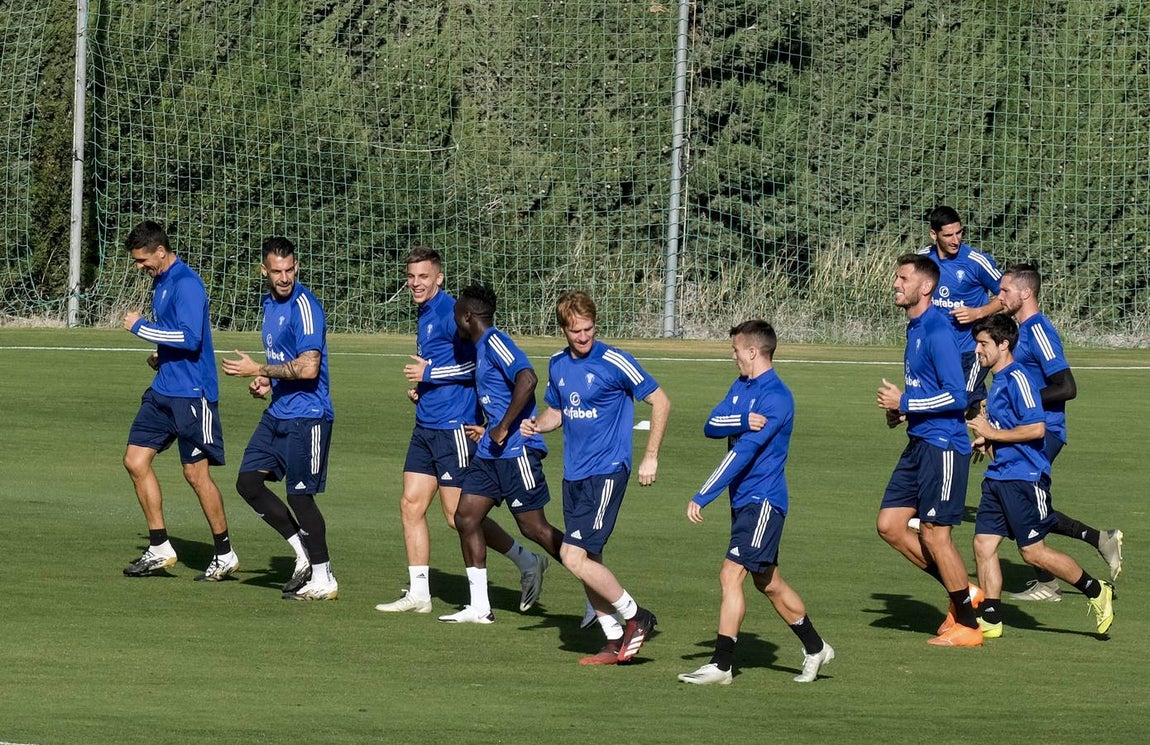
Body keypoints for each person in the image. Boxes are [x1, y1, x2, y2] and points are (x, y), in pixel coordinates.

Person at [376, 247, 548, 615]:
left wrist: (430, 376)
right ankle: (420, 594)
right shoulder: (425, 312)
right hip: (425, 423)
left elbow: (475, 368)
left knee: (459, 516)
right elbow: (440, 365)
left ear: (439, 277)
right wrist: (423, 388)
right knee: (410, 504)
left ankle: (526, 560)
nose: (415, 283)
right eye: (411, 277)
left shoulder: (455, 313)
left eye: (423, 276)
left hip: (454, 425)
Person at [678, 320, 833, 685]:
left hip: (763, 501)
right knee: (769, 582)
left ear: (752, 351)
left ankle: (722, 665)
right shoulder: (742, 387)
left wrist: (703, 494)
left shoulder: (777, 398)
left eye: (735, 350)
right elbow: (711, 424)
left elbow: (742, 454)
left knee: (730, 573)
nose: (733, 357)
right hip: (745, 501)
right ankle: (816, 647)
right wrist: (742, 419)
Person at [521, 291, 671, 665]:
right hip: (574, 475)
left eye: (588, 329)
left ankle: (636, 617)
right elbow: (558, 411)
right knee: (590, 558)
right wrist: (535, 424)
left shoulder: (615, 360)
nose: (583, 337)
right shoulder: (557, 364)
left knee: (572, 555)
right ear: (563, 330)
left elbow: (661, 401)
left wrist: (650, 457)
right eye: (575, 331)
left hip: (608, 471)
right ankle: (613, 640)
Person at [967, 313, 1115, 636]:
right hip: (998, 476)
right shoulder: (998, 381)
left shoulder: (1019, 377)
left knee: (1033, 552)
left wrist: (991, 430)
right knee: (983, 544)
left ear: (1004, 345)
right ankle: (991, 618)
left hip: (1024, 477)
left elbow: (1036, 428)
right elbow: (1008, 429)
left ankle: (1096, 589)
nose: (977, 350)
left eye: (983, 344)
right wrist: (987, 439)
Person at [438, 282, 565, 624]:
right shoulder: (481, 347)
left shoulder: (495, 341)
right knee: (465, 517)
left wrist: (504, 426)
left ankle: (595, 590)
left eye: (455, 316)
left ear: (467, 317)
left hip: (517, 451)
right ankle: (480, 607)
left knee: (534, 528)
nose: (454, 323)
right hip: (490, 453)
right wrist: (490, 428)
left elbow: (527, 379)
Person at [996, 264, 1122, 601]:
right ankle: (1096, 542)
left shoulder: (1038, 331)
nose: (999, 297)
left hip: (1044, 432)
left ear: (1026, 293)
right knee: (1017, 507)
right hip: (1027, 432)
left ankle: (1055, 582)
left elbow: (1066, 386)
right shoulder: (1020, 330)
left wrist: (1024, 402)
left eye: (1005, 290)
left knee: (1015, 505)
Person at [221, 237, 338, 600]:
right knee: (248, 484)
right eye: (277, 271)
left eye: (289, 270)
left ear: (297, 266)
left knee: (301, 498)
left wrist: (257, 367)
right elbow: (285, 359)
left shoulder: (305, 306)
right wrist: (266, 379)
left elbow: (309, 367)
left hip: (309, 417)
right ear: (264, 271)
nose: (284, 277)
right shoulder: (269, 304)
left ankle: (324, 577)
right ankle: (302, 552)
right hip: (278, 413)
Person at [121, 220, 238, 581]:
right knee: (135, 460)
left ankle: (225, 553)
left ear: (160, 250)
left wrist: (140, 328)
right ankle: (160, 547)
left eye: (143, 260)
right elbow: (174, 339)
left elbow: (189, 339)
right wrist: (160, 355)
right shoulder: (161, 282)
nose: (141, 267)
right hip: (163, 391)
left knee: (195, 474)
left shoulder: (187, 284)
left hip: (192, 395)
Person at [876, 253, 983, 647]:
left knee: (937, 535)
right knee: (889, 525)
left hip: (944, 445)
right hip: (919, 441)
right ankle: (963, 592)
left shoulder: (937, 329)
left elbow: (958, 397)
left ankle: (969, 626)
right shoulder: (914, 328)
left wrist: (906, 403)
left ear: (925, 287)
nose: (895, 284)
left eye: (902, 278)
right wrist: (901, 413)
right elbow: (926, 390)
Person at [917, 206, 1003, 417]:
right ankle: (982, 416)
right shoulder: (921, 260)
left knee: (954, 405)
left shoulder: (977, 261)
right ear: (933, 234)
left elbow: (1008, 296)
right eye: (948, 235)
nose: (956, 240)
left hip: (970, 351)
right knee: (967, 411)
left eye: (959, 232)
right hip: (936, 350)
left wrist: (979, 312)